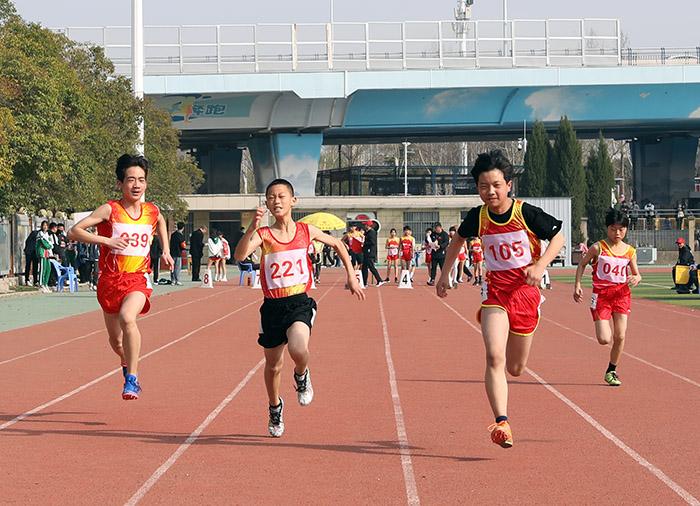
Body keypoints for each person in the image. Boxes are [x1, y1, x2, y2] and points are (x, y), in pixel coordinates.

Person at [436, 149, 565, 449]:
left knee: (516, 368)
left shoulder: (526, 213)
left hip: (525, 295)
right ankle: (502, 422)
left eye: (496, 184)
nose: (490, 191)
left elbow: (557, 235)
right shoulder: (477, 216)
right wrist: (444, 275)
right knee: (494, 356)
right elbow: (457, 240)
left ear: (508, 185)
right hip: (495, 293)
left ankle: (517, 339)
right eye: (483, 186)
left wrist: (540, 265)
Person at [234, 178, 364, 438]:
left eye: (281, 196)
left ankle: (302, 375)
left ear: (293, 201)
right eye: (271, 197)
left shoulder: (306, 231)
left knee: (298, 347)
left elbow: (338, 244)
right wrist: (251, 227)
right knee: (272, 366)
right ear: (267, 204)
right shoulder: (264, 235)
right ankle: (275, 407)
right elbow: (239, 256)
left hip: (299, 303)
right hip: (272, 308)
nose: (276, 201)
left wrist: (351, 275)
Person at [68, 154, 174, 400]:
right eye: (130, 180)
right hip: (109, 281)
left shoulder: (151, 210)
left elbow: (160, 222)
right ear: (120, 183)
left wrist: (166, 250)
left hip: (137, 279)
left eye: (141, 180)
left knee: (129, 318)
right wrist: (107, 240)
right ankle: (127, 364)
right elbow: (75, 231)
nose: (136, 185)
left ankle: (132, 379)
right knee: (116, 342)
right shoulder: (109, 209)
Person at [573, 209, 642, 387]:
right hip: (601, 297)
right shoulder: (598, 247)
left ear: (626, 229)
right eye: (613, 229)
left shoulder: (630, 251)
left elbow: (637, 274)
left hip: (622, 296)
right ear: (607, 229)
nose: (617, 233)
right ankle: (610, 364)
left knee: (620, 336)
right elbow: (581, 264)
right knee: (604, 338)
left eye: (621, 229)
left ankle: (611, 370)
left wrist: (636, 278)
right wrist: (578, 285)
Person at [361, 220, 386, 287]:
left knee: (371, 267)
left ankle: (379, 280)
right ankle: (364, 282)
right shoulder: (367, 232)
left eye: (365, 225)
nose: (364, 226)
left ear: (368, 225)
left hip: (370, 252)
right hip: (366, 252)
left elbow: (372, 242)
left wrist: (364, 243)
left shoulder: (372, 232)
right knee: (364, 268)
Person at [427, 222, 449, 286]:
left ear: (440, 227)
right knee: (433, 268)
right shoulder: (433, 234)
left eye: (436, 228)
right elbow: (428, 241)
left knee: (443, 268)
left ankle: (445, 281)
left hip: (442, 254)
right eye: (435, 228)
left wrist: (440, 246)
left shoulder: (445, 234)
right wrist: (428, 236)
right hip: (434, 254)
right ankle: (432, 280)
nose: (435, 229)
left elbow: (446, 242)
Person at [35, 221, 53, 293]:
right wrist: (50, 246)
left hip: (47, 253)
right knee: (43, 269)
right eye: (44, 225)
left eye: (46, 225)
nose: (45, 227)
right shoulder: (40, 234)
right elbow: (45, 244)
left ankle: (45, 284)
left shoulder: (48, 234)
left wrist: (50, 246)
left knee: (48, 268)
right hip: (42, 253)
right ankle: (41, 284)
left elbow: (51, 243)